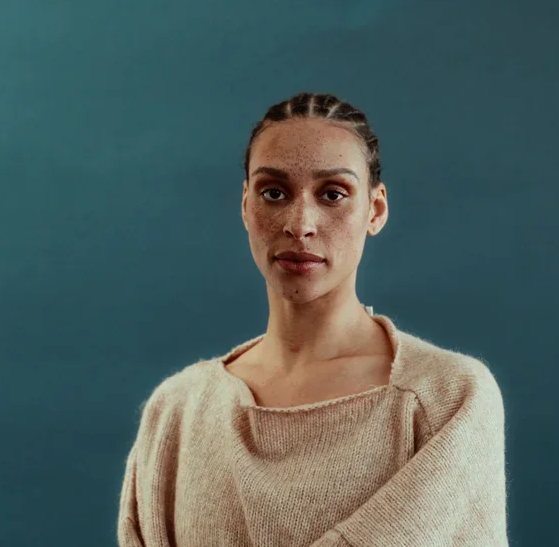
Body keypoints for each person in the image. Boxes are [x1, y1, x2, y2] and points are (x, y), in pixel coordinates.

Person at [118, 92, 508, 546]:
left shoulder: (447, 398)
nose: (300, 223)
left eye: (333, 194)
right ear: (246, 204)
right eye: (274, 192)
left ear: (375, 210)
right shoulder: (177, 412)